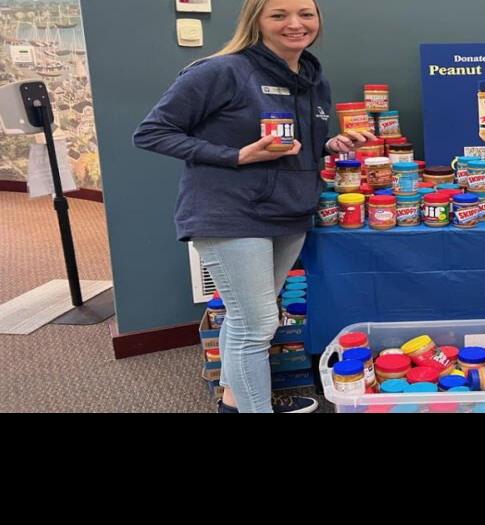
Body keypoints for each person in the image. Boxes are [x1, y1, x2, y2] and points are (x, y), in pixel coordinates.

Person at [133, 0, 374, 413]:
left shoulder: (314, 79)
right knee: (256, 324)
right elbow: (152, 132)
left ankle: (234, 402)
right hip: (230, 212)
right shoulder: (220, 71)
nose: (295, 24)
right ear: (256, 21)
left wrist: (330, 144)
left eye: (306, 14)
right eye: (279, 15)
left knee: (245, 319)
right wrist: (236, 156)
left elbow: (296, 146)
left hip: (290, 211)